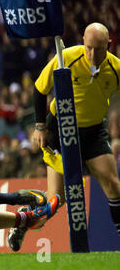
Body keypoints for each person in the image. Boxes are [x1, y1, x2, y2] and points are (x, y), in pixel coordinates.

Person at [8, 22, 120, 251]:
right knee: (56, 200)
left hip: (94, 131)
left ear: (109, 45)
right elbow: (39, 90)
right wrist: (40, 127)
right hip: (62, 129)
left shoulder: (116, 68)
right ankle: (23, 219)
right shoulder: (66, 57)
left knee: (113, 185)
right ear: (83, 41)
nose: (92, 54)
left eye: (98, 48)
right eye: (88, 47)